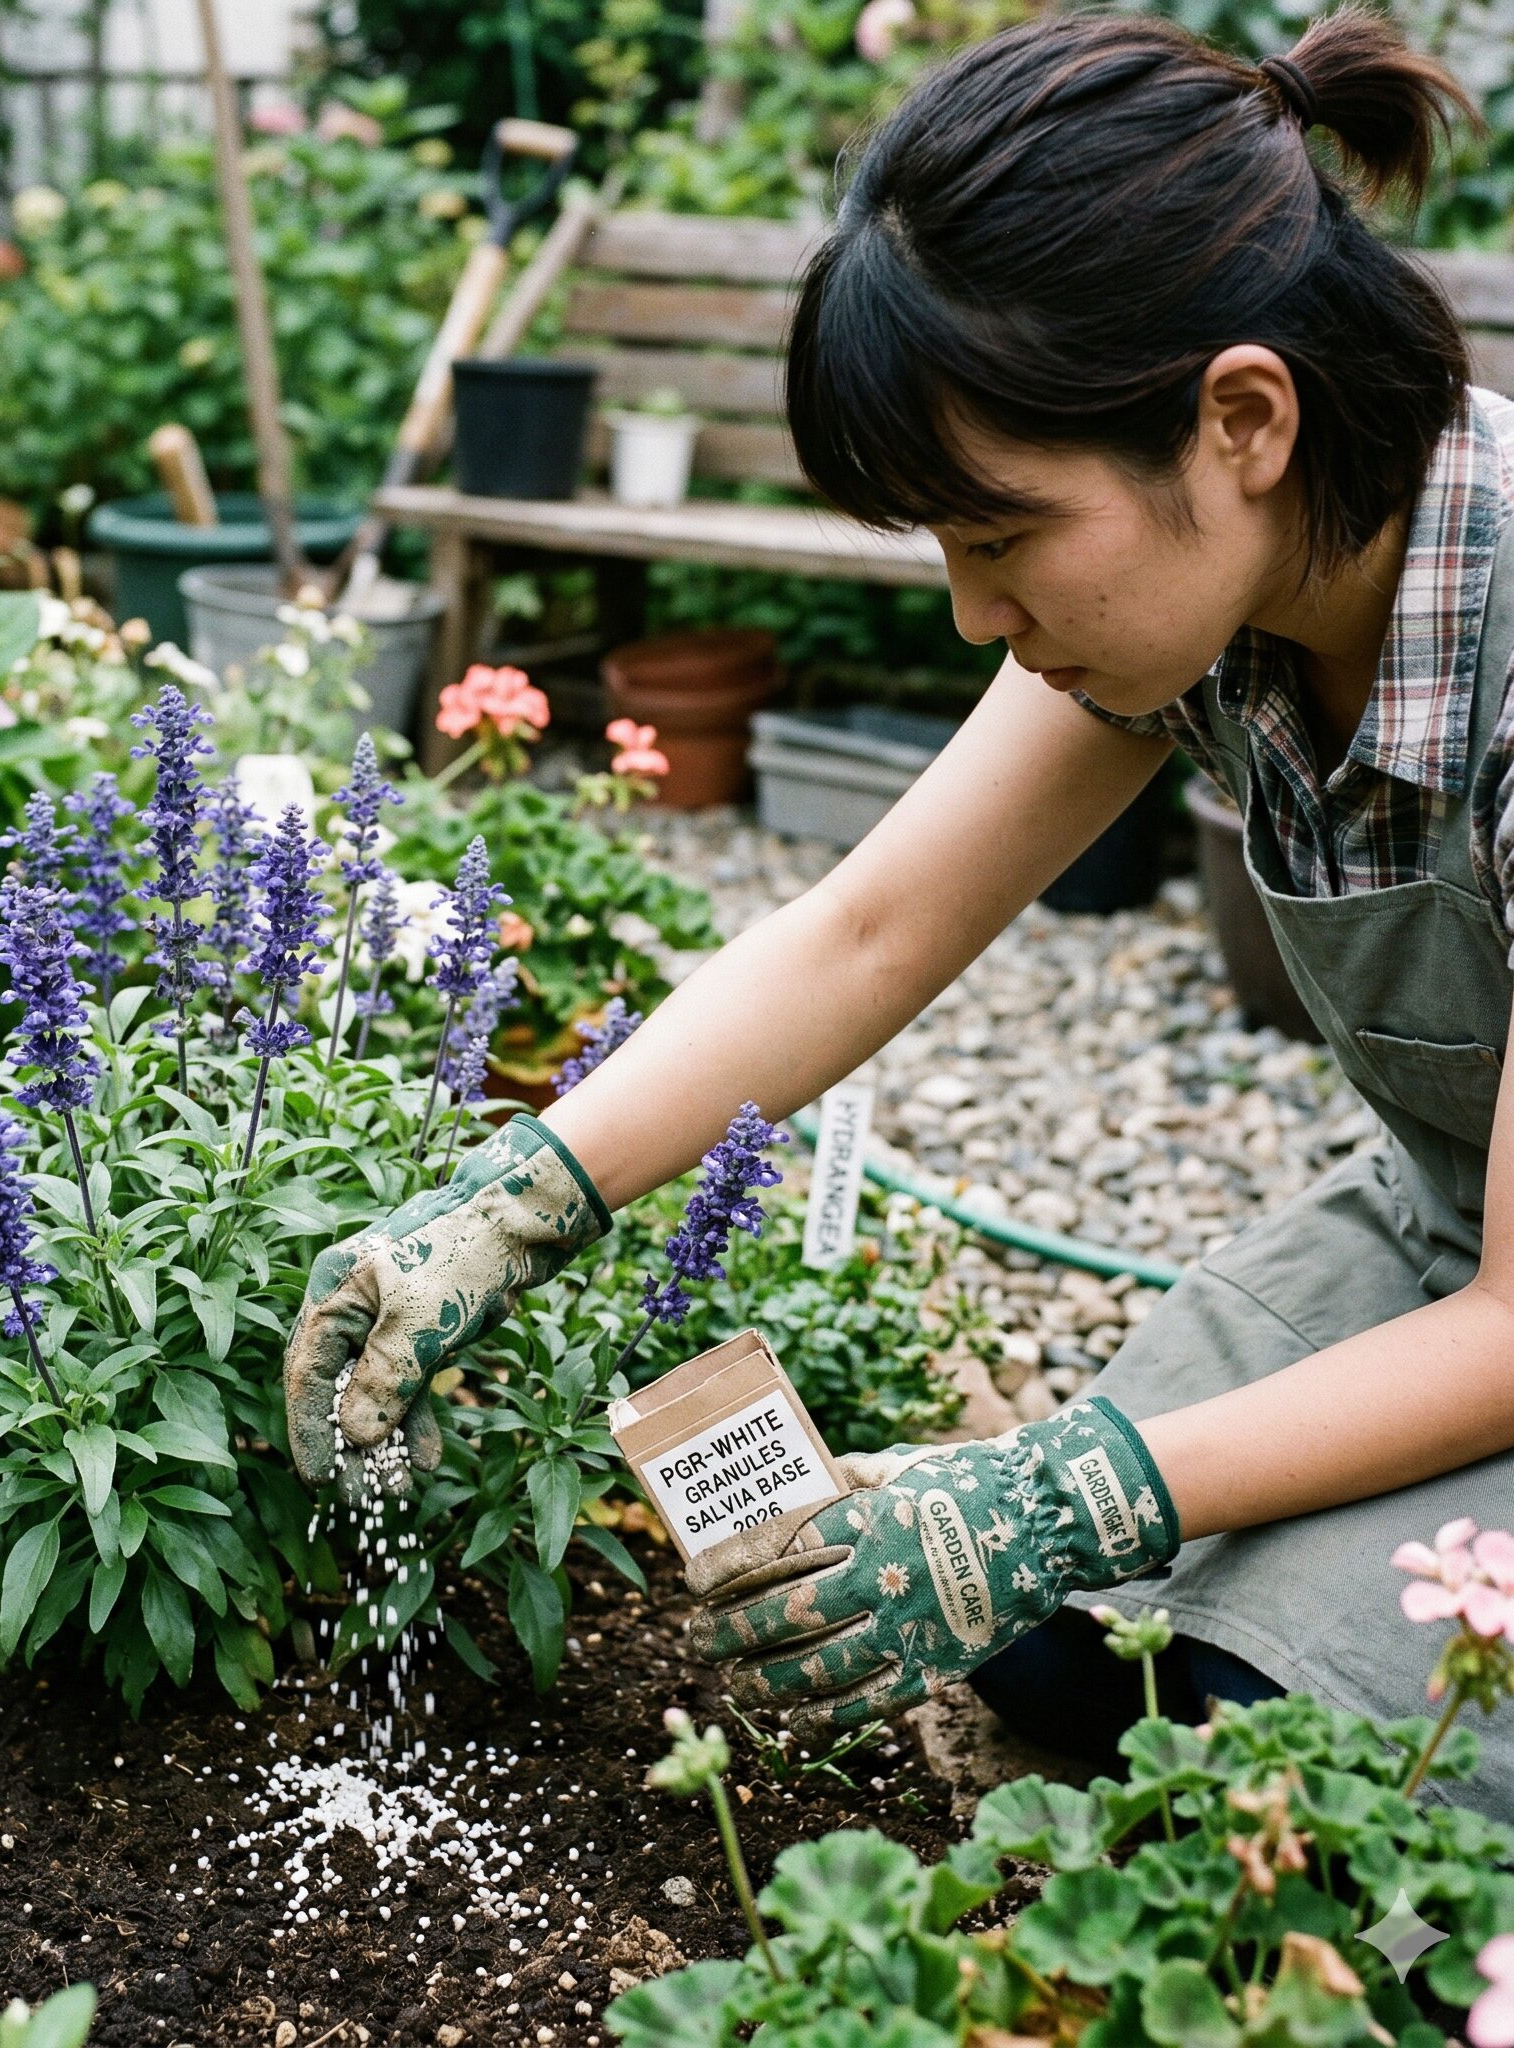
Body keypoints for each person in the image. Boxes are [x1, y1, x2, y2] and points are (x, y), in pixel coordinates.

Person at [282, 6, 1514, 1823]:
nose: (966, 614)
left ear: (1243, 418)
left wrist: (1055, 1488)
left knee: (1297, 1773)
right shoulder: (1242, 575)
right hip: (1450, 1230)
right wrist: (513, 1208)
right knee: (1060, 1654)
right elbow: (869, 929)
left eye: (998, 540)